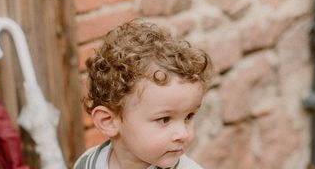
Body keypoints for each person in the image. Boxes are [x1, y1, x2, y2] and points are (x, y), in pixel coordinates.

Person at [73, 20, 212, 169]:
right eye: (164, 119)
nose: (184, 134)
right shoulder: (87, 163)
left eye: (189, 116)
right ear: (108, 121)